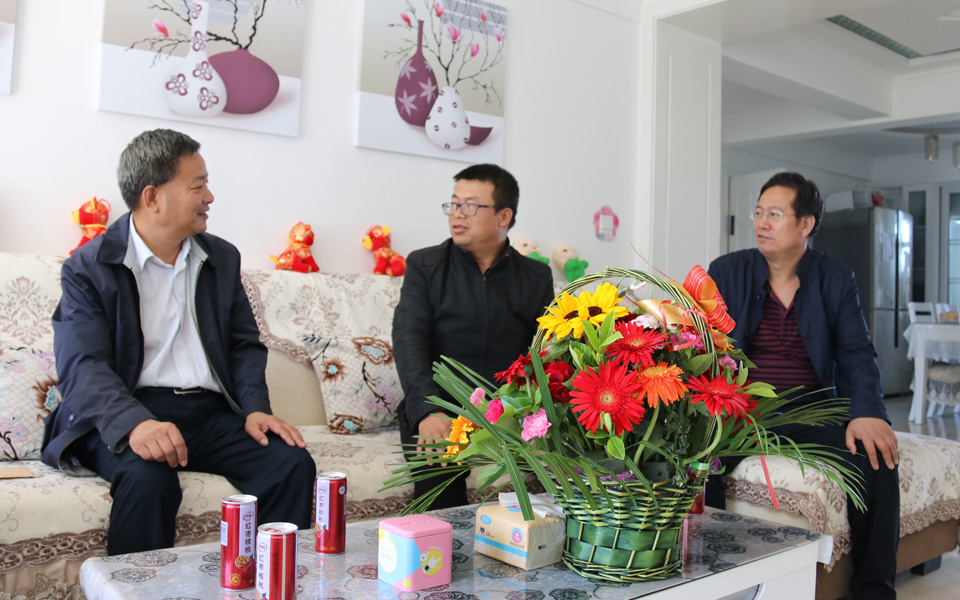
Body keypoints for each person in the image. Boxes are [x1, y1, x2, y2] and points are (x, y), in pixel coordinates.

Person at [41, 129, 316, 555]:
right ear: (152, 197)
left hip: (208, 413)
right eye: (197, 186)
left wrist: (255, 409)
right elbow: (83, 365)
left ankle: (264, 579)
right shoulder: (89, 267)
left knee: (289, 463)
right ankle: (133, 584)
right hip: (126, 409)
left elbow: (243, 344)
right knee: (148, 478)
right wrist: (135, 423)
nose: (209, 197)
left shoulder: (221, 258)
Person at [706, 172, 900, 599]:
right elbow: (703, 344)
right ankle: (716, 582)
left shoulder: (836, 277)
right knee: (698, 460)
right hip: (744, 412)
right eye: (759, 213)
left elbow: (856, 351)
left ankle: (874, 591)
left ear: (806, 224)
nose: (762, 223)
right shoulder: (727, 272)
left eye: (775, 214)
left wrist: (868, 413)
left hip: (812, 411)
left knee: (877, 459)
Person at [393, 164, 554, 509]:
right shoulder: (425, 266)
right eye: (453, 204)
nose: (456, 214)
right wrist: (427, 411)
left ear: (503, 216)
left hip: (508, 406)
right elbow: (409, 341)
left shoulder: (535, 277)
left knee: (566, 473)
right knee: (439, 480)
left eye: (469, 205)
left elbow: (545, 352)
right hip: (441, 404)